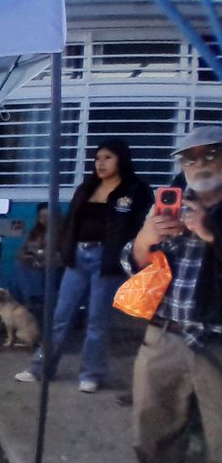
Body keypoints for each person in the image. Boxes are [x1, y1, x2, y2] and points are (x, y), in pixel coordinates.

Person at [122, 126, 222, 463]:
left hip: (216, 342)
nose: (199, 165)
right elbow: (135, 267)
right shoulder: (170, 205)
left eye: (210, 155)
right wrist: (147, 237)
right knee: (153, 430)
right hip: (163, 336)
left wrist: (209, 232)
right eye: (189, 158)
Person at [16, 139, 153, 392]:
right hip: (78, 256)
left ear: (121, 158)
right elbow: (71, 221)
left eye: (108, 158)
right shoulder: (87, 186)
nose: (101, 163)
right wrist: (65, 250)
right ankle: (41, 368)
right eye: (97, 158)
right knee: (60, 316)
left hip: (108, 260)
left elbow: (141, 227)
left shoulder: (136, 189)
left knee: (97, 319)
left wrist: (128, 255)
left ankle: (91, 373)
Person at [9, 204, 60, 317]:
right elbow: (20, 251)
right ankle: (32, 298)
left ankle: (34, 300)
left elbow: (64, 256)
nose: (44, 220)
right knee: (19, 266)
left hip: (51, 270)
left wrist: (43, 262)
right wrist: (26, 257)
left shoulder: (62, 233)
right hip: (32, 267)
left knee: (25, 273)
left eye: (48, 216)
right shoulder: (34, 233)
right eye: (42, 217)